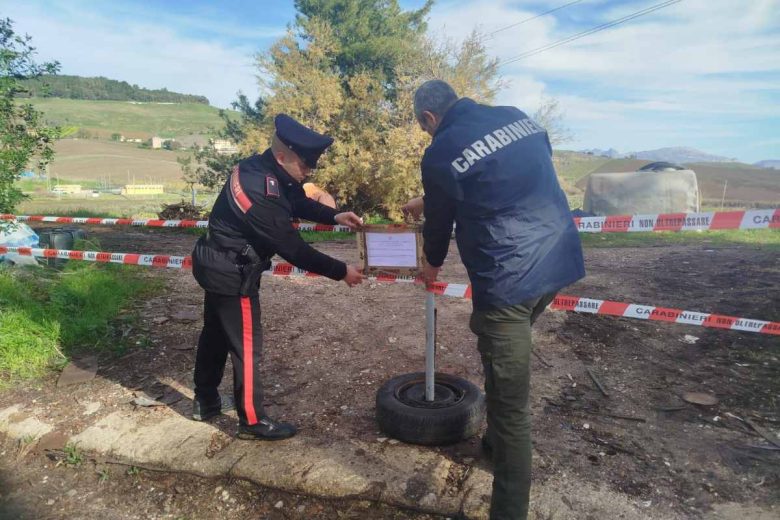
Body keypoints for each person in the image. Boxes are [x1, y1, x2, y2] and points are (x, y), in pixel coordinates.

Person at [403, 80, 585, 520]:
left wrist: (429, 265)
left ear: (428, 119)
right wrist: (425, 199)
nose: (428, 134)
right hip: (559, 262)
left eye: (423, 127)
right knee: (498, 352)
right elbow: (499, 176)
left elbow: (441, 223)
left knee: (511, 409)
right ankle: (491, 444)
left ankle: (508, 508)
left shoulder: (440, 149)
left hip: (509, 280)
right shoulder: (515, 116)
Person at [191, 114, 365, 441]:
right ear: (283, 156)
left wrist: (333, 215)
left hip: (216, 262)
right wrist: (342, 272)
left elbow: (296, 199)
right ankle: (253, 422)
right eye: (305, 165)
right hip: (233, 272)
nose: (309, 171)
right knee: (246, 347)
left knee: (214, 335)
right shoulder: (261, 190)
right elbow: (293, 249)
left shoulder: (263, 168)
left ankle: (205, 400)